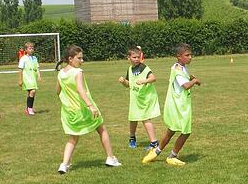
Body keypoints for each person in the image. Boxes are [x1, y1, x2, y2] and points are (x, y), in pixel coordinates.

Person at [55, 45, 121, 174]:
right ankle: (110, 158)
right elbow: (80, 89)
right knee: (102, 129)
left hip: (69, 112)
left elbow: (57, 91)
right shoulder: (77, 72)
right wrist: (90, 106)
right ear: (70, 59)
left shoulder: (61, 73)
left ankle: (64, 165)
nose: (82, 60)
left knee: (72, 138)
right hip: (83, 109)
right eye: (79, 58)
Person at [142, 43, 201, 167]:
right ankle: (172, 156)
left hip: (177, 105)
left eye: (191, 55)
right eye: (187, 55)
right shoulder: (178, 70)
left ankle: (156, 152)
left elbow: (182, 78)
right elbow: (185, 86)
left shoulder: (178, 67)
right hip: (180, 107)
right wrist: (194, 81)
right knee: (186, 132)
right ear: (178, 56)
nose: (190, 57)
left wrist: (190, 77)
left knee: (172, 129)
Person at [117, 46, 161, 149]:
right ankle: (132, 138)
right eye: (134, 57)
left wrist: (143, 81)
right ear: (128, 58)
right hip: (135, 98)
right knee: (133, 118)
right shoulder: (130, 69)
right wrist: (124, 82)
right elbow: (129, 84)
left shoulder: (143, 67)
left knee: (145, 118)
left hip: (145, 98)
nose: (137, 59)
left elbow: (153, 78)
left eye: (138, 57)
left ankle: (154, 143)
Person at [18, 42, 41, 115]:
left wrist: (39, 75)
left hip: (33, 78)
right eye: (29, 48)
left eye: (32, 48)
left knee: (31, 93)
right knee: (33, 91)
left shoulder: (34, 58)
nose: (31, 50)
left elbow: (37, 67)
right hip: (26, 78)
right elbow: (20, 70)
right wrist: (20, 80)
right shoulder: (23, 58)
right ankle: (30, 109)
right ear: (26, 50)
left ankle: (28, 108)